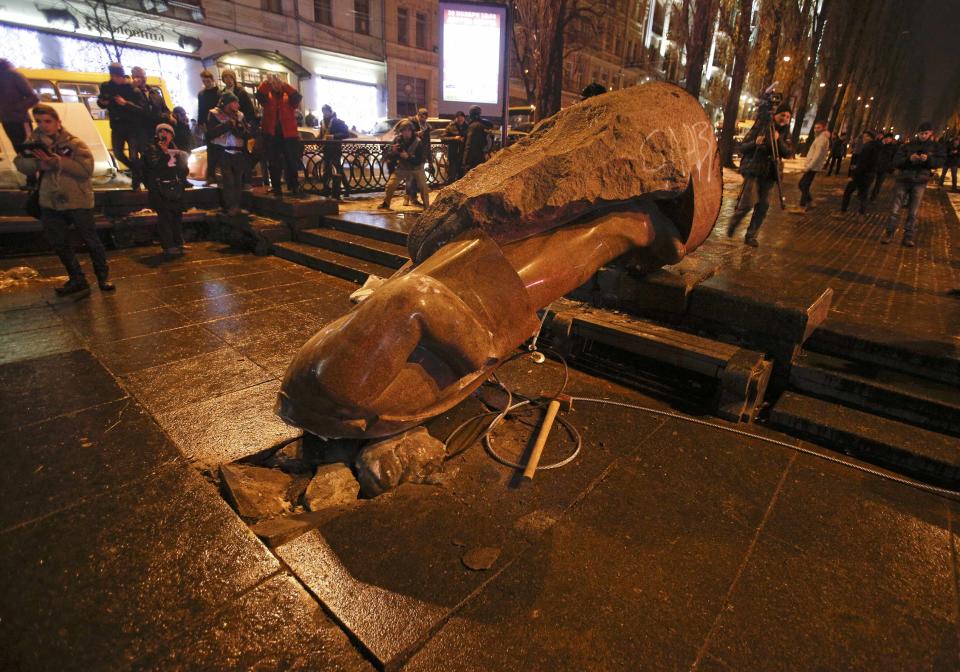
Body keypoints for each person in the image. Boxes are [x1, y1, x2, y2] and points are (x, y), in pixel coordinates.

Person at [14, 104, 112, 296]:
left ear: (58, 123)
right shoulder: (33, 143)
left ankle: (103, 277)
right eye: (39, 121)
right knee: (59, 242)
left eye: (48, 121)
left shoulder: (74, 143)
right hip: (49, 200)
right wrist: (37, 163)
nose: (43, 125)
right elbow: (20, 163)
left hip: (76, 199)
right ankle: (77, 278)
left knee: (91, 240)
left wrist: (57, 162)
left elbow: (86, 170)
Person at [727, 103, 794, 247]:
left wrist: (779, 140)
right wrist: (755, 143)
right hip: (754, 171)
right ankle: (734, 222)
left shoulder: (785, 133)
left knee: (763, 206)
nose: (784, 118)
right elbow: (743, 147)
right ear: (776, 115)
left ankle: (751, 235)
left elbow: (788, 152)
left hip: (770, 174)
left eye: (788, 116)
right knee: (748, 202)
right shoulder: (761, 127)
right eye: (782, 115)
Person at [881, 121, 945, 247]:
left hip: (920, 181)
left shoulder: (936, 147)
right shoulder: (908, 146)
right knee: (895, 208)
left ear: (930, 133)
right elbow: (896, 161)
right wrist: (909, 159)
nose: (923, 136)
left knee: (913, 212)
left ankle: (908, 237)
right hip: (904, 179)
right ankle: (889, 233)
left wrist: (929, 160)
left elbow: (940, 161)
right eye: (921, 133)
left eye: (926, 133)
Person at [142, 123, 189, 258]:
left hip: (175, 188)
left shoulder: (176, 150)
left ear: (172, 135)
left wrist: (182, 161)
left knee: (176, 217)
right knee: (165, 218)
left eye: (167, 132)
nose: (164, 134)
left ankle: (179, 243)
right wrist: (164, 154)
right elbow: (154, 167)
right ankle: (168, 246)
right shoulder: (151, 149)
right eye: (161, 131)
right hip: (160, 189)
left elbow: (183, 172)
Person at [97, 62, 147, 190]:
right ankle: (137, 170)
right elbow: (101, 102)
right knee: (118, 153)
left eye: (117, 76)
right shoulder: (106, 87)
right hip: (117, 126)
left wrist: (125, 104)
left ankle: (136, 184)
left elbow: (142, 109)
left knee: (134, 155)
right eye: (113, 76)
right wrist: (103, 102)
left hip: (132, 127)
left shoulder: (132, 89)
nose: (115, 79)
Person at [256, 76, 302, 196]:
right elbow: (259, 94)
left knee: (291, 161)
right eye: (274, 83)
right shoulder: (267, 97)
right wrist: (267, 83)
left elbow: (297, 97)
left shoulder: (289, 97)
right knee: (273, 162)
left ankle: (294, 185)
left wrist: (285, 85)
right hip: (271, 134)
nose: (276, 85)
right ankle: (276, 187)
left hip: (288, 135)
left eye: (278, 83)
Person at [206, 91, 250, 215]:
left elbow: (247, 132)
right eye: (235, 102)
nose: (238, 106)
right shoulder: (214, 114)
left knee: (238, 180)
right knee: (227, 180)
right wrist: (227, 126)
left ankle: (236, 206)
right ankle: (229, 206)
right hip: (222, 151)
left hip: (237, 151)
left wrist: (239, 129)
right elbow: (210, 134)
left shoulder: (240, 115)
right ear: (227, 103)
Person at [0, 59, 40, 188]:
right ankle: (31, 179)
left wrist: (16, 108)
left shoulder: (13, 75)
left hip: (20, 120)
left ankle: (35, 180)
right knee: (19, 150)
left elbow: (33, 97)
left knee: (28, 150)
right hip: (7, 120)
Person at [378, 121, 428, 210]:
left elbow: (421, 160)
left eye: (409, 130)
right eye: (404, 130)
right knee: (391, 184)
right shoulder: (397, 140)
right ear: (401, 131)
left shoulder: (418, 142)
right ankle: (386, 203)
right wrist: (393, 153)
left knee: (423, 186)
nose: (406, 133)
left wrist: (408, 157)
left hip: (416, 168)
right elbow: (389, 155)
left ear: (412, 131)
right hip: (403, 167)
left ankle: (426, 206)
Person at [839, 131, 880, 215]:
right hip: (870, 174)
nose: (863, 139)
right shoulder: (877, 147)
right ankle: (861, 213)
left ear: (869, 137)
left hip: (860, 175)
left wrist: (853, 175)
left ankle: (843, 211)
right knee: (864, 194)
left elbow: (863, 163)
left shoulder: (867, 147)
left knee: (848, 192)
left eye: (865, 137)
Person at [319, 104, 350, 200]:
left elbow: (346, 133)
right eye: (323, 112)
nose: (324, 113)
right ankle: (326, 189)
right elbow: (322, 134)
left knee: (337, 167)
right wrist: (318, 140)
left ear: (330, 111)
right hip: (326, 148)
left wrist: (334, 136)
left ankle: (346, 188)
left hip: (335, 148)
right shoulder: (322, 122)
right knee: (326, 169)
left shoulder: (337, 121)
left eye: (326, 111)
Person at [798, 120, 830, 210]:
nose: (816, 129)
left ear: (823, 128)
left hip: (813, 167)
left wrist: (809, 166)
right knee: (802, 185)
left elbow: (817, 155)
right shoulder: (819, 138)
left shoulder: (822, 139)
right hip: (812, 166)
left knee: (804, 185)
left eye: (818, 128)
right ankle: (810, 202)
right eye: (815, 127)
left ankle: (802, 205)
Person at [404, 107, 433, 206]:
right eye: (421, 117)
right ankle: (408, 197)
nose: (423, 120)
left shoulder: (426, 127)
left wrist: (430, 160)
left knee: (417, 178)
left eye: (425, 118)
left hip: (421, 155)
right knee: (410, 176)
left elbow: (427, 144)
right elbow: (404, 135)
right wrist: (416, 134)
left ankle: (413, 198)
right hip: (410, 153)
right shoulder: (410, 122)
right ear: (418, 115)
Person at [196, 69, 221, 184]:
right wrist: (201, 123)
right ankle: (211, 175)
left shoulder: (218, 92)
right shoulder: (201, 94)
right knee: (210, 150)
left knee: (219, 148)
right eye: (204, 81)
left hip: (218, 124)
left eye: (208, 81)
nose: (206, 83)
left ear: (212, 80)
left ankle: (220, 172)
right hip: (208, 125)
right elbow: (201, 109)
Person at [463, 105, 491, 174]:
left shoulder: (473, 126)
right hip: (482, 156)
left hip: (472, 159)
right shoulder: (484, 125)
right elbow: (488, 141)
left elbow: (469, 144)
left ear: (471, 114)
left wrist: (465, 160)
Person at [442, 111, 468, 183]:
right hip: (453, 155)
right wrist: (454, 138)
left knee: (462, 177)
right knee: (452, 176)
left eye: (462, 120)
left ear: (464, 119)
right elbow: (443, 138)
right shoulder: (451, 126)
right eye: (458, 120)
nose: (460, 122)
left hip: (463, 155)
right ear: (456, 119)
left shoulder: (468, 126)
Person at [870, 132, 897, 200]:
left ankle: (873, 197)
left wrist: (891, 168)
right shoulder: (879, 144)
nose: (888, 139)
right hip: (875, 166)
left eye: (890, 138)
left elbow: (893, 158)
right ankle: (864, 193)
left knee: (878, 184)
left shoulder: (893, 148)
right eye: (887, 138)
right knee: (870, 181)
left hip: (884, 168)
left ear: (891, 139)